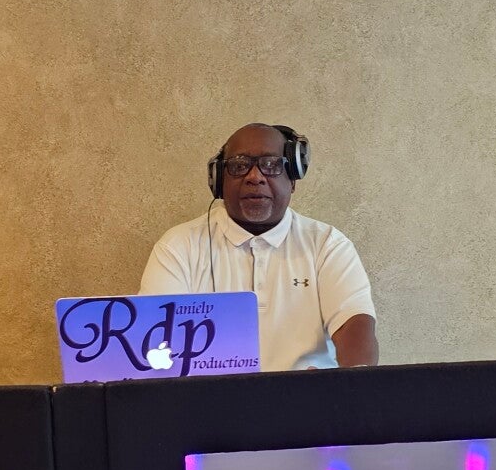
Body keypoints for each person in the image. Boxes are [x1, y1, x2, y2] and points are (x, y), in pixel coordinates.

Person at [140, 123, 378, 371]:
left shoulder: (327, 245)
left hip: (305, 393)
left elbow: (354, 323)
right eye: (239, 166)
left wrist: (351, 382)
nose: (255, 177)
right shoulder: (179, 246)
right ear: (219, 180)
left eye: (271, 165)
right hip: (211, 394)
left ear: (293, 179)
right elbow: (156, 335)